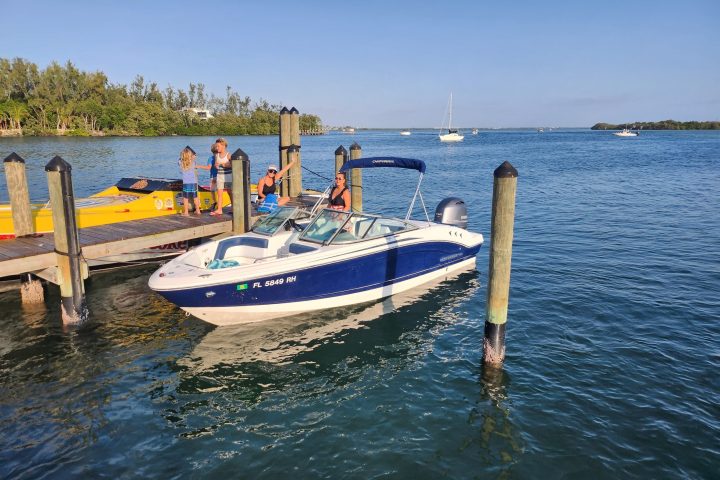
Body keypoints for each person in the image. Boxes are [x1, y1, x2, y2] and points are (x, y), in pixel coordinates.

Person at [178, 146, 201, 216]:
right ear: (190, 155)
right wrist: (192, 155)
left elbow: (179, 159)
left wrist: (182, 155)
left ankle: (186, 212)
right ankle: (198, 210)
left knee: (185, 198)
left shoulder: (181, 162)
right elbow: (195, 156)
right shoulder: (193, 162)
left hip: (186, 183)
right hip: (193, 182)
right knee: (195, 197)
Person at [196, 142, 218, 210]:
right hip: (221, 176)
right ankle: (217, 203)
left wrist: (199, 166)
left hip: (214, 177)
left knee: (212, 190)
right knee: (219, 190)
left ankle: (215, 202)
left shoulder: (210, 158)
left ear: (212, 151)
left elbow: (208, 168)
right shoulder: (221, 157)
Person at [212, 137, 231, 215]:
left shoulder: (228, 155)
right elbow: (216, 164)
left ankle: (234, 208)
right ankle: (219, 210)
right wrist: (216, 165)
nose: (217, 148)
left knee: (230, 193)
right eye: (216, 146)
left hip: (228, 176)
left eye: (218, 146)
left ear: (223, 146)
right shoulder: (217, 155)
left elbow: (232, 165)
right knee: (219, 193)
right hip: (220, 176)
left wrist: (223, 164)